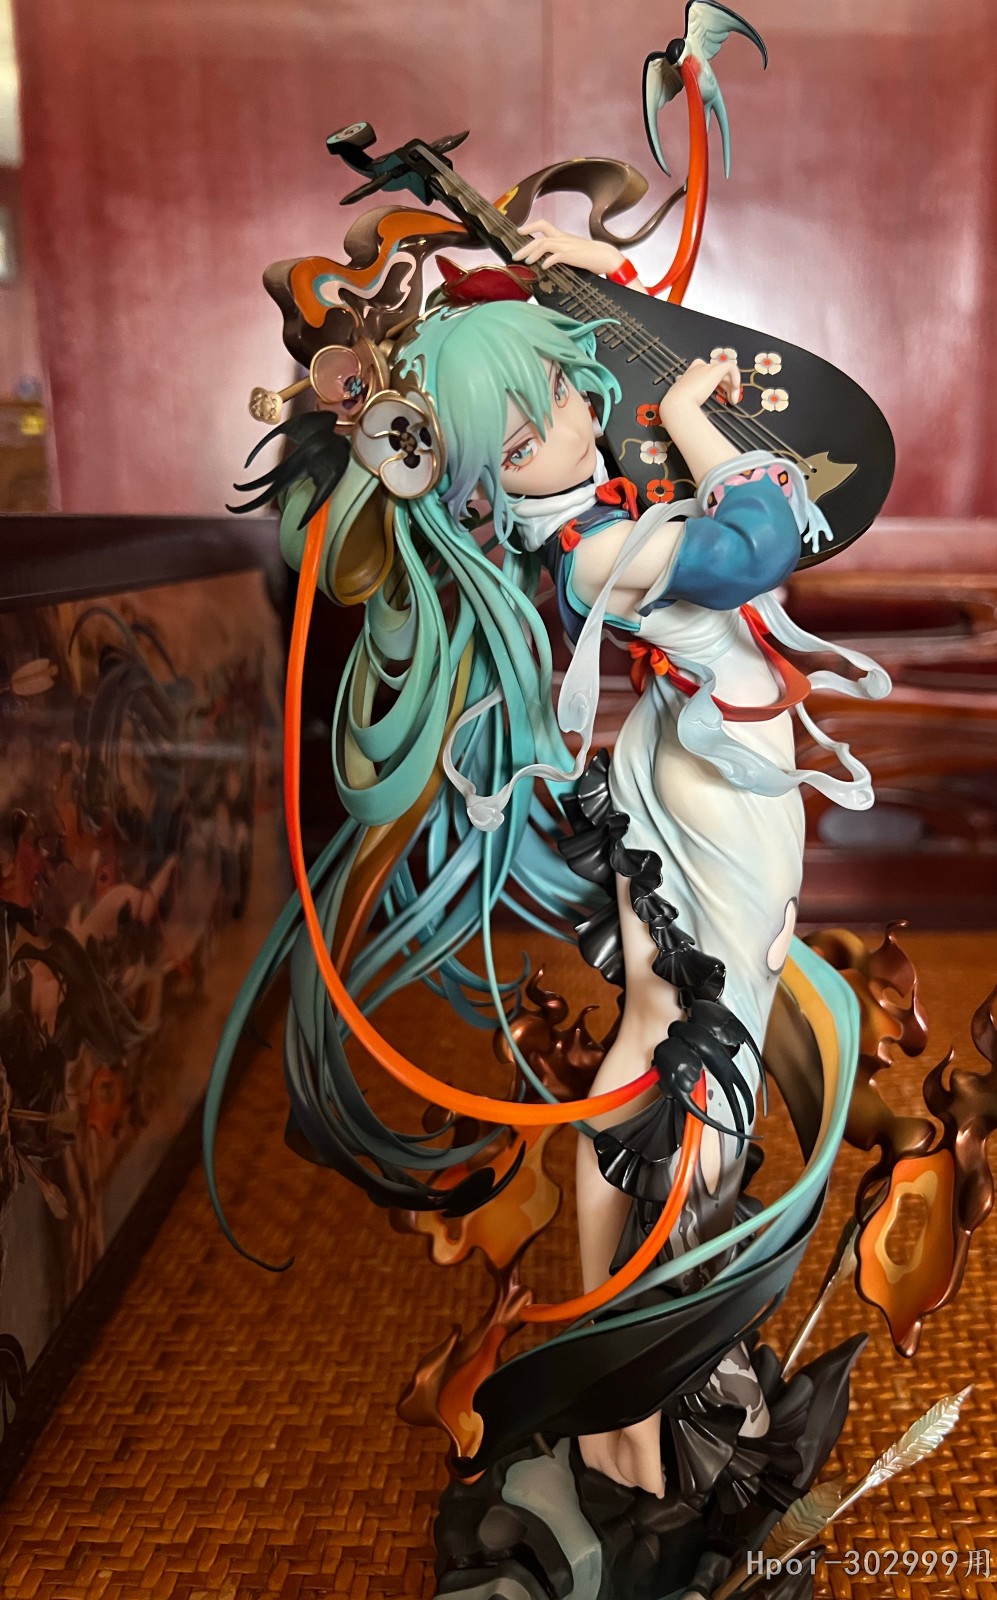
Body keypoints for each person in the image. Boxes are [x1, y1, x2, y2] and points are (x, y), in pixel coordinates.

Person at [204, 220, 889, 1508]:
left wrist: (571, 265)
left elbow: (618, 356)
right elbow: (754, 544)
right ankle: (643, 1364)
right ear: (497, 470)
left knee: (677, 1033)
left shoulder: (581, 508)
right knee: (698, 1049)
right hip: (707, 787)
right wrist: (692, 420)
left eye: (569, 390)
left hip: (701, 762)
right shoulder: (589, 551)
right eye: (544, 418)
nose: (586, 408)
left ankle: (644, 1362)